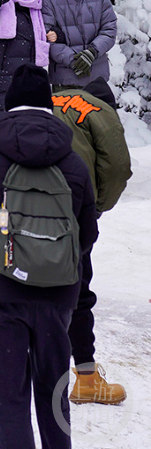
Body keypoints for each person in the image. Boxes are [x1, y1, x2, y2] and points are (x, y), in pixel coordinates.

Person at [0, 64, 98, 449]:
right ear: (49, 106)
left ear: (9, 105)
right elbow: (87, 233)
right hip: (58, 297)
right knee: (54, 394)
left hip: (2, 293)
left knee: (9, 398)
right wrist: (54, 260)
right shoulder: (75, 162)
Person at [51, 83, 131, 404]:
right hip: (70, 200)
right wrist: (96, 207)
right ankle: (86, 379)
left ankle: (3, 341)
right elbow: (117, 168)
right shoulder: (101, 111)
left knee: (23, 266)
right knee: (78, 285)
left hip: (22, 192)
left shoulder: (53, 97)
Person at [42, 0, 117, 108]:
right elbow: (44, 37)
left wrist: (92, 52)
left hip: (97, 79)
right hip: (65, 81)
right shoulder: (49, 0)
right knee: (68, 131)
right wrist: (73, 60)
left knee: (100, 129)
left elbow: (109, 29)